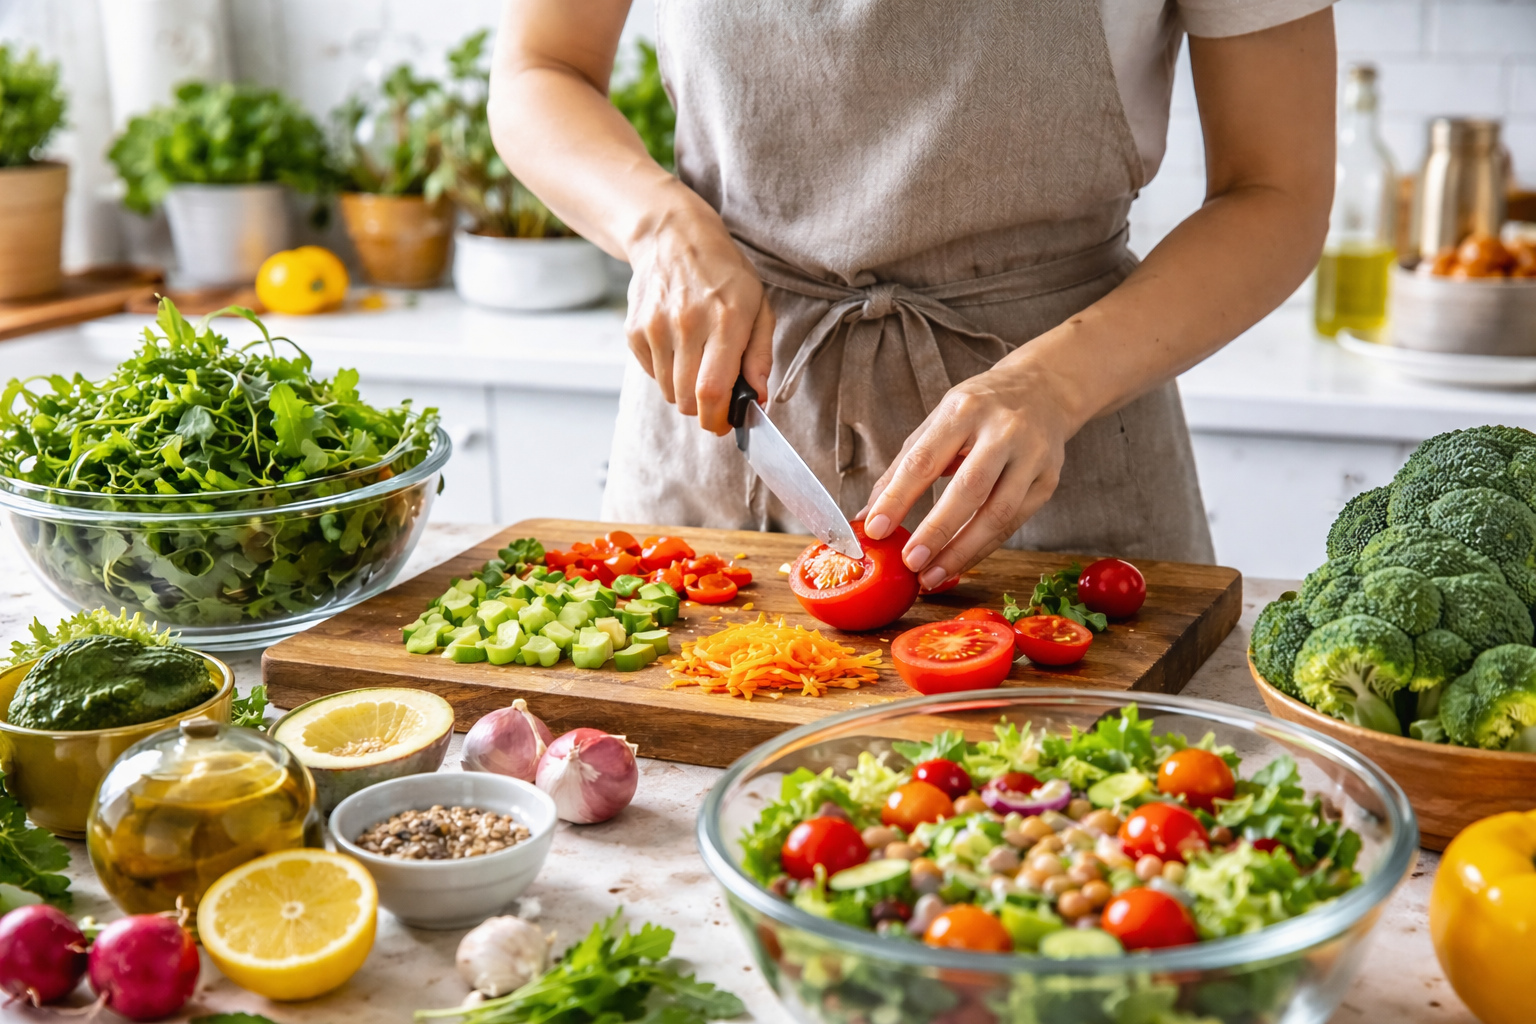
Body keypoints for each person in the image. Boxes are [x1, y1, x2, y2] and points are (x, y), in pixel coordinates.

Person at [489, 0, 1335, 587]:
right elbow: (539, 68)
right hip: (729, 413)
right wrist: (659, 229)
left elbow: (1277, 189)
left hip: (1064, 441)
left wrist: (1052, 385)